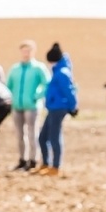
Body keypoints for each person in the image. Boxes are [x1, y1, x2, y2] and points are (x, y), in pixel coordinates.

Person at [5, 40, 50, 171]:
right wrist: (10, 99)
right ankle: (22, 159)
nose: (26, 53)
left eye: (28, 50)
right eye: (24, 50)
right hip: (17, 105)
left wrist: (37, 96)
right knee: (19, 134)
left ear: (33, 51)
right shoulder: (15, 69)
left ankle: (33, 159)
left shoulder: (38, 68)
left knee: (32, 133)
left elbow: (46, 83)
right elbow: (8, 86)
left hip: (32, 106)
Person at [37, 42, 78, 176]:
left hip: (59, 108)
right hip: (53, 108)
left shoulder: (62, 73)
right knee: (43, 137)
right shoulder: (58, 71)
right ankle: (45, 163)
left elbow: (69, 91)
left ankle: (55, 166)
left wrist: (73, 107)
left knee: (54, 137)